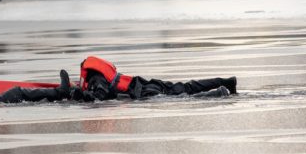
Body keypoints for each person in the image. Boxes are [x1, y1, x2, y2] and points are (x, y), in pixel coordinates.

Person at [73, 55, 237, 102]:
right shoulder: (100, 74)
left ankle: (217, 93)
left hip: (144, 92)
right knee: (188, 87)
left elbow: (100, 94)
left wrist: (87, 97)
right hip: (148, 83)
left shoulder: (95, 80)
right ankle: (226, 81)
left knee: (183, 97)